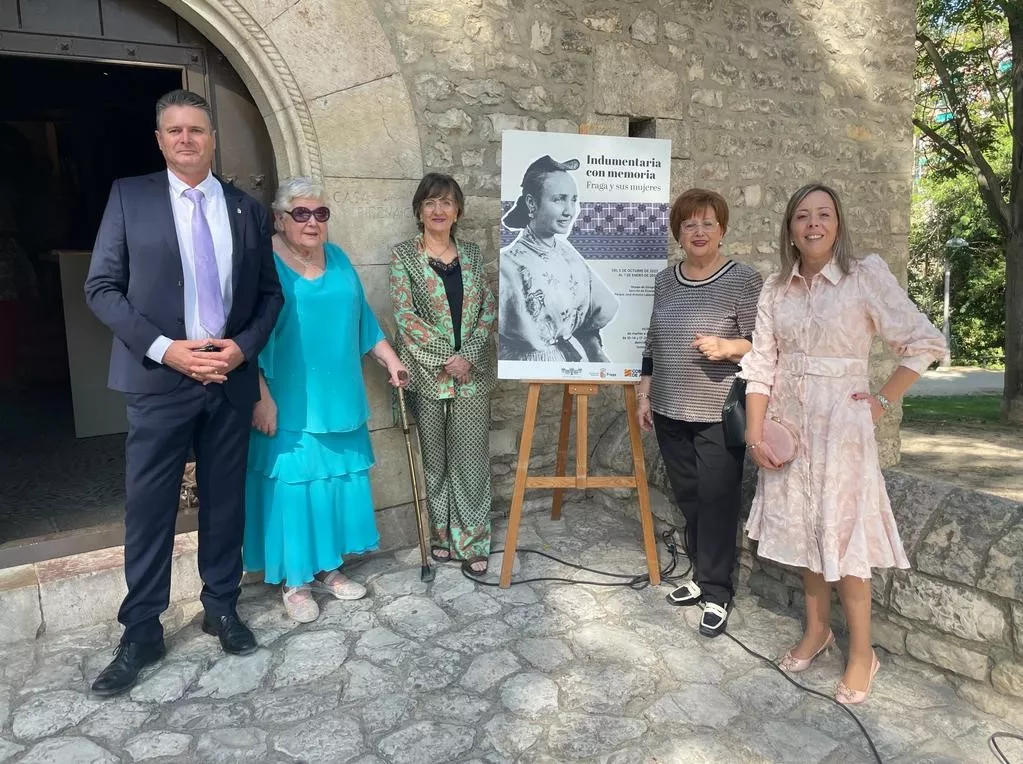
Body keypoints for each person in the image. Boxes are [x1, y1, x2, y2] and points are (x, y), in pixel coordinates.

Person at [85, 89, 284, 696]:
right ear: (160, 139)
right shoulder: (129, 197)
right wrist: (165, 349)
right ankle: (141, 628)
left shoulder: (247, 209)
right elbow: (102, 288)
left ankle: (221, 606)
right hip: (159, 380)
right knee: (150, 509)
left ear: (212, 138)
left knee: (226, 502)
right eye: (174, 130)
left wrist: (242, 347)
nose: (187, 139)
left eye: (197, 129)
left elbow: (270, 296)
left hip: (227, 379)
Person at [742, 182, 946, 704]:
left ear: (838, 223)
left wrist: (880, 402)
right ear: (789, 228)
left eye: (824, 214)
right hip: (791, 430)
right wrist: (754, 429)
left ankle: (862, 653)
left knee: (846, 539)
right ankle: (817, 629)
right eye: (803, 216)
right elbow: (762, 365)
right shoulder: (774, 290)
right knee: (809, 535)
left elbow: (922, 342)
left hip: (843, 432)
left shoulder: (864, 278)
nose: (814, 224)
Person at [245, 178, 408, 622]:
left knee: (334, 484)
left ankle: (328, 569)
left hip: (339, 395)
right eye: (301, 213)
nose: (312, 222)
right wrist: (260, 397)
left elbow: (364, 321)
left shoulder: (337, 259)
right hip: (288, 398)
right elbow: (248, 336)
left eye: (320, 213)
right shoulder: (264, 263)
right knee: (296, 490)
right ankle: (295, 581)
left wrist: (390, 359)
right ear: (280, 219)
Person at [635, 188, 763, 637]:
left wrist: (730, 348)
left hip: (716, 410)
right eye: (689, 224)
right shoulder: (666, 280)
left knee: (717, 501)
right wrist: (644, 393)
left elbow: (765, 343)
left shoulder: (743, 280)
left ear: (722, 229)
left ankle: (717, 592)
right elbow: (653, 339)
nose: (699, 231)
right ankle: (698, 575)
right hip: (670, 406)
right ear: (679, 233)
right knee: (689, 498)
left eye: (708, 223)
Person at [389, 173, 497, 575]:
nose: (439, 210)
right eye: (431, 203)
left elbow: (487, 309)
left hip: (471, 377)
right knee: (434, 460)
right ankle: (440, 535)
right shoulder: (403, 256)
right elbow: (405, 315)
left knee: (470, 459)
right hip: (427, 376)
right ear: (419, 210)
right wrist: (444, 357)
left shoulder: (471, 254)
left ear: (458, 211)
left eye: (447, 203)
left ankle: (471, 539)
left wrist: (466, 356)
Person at [498, 155, 619, 363]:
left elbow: (596, 309)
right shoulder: (510, 264)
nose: (569, 211)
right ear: (531, 203)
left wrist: (594, 349)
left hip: (571, 359)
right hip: (530, 364)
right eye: (558, 199)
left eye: (573, 200)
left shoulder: (568, 254)